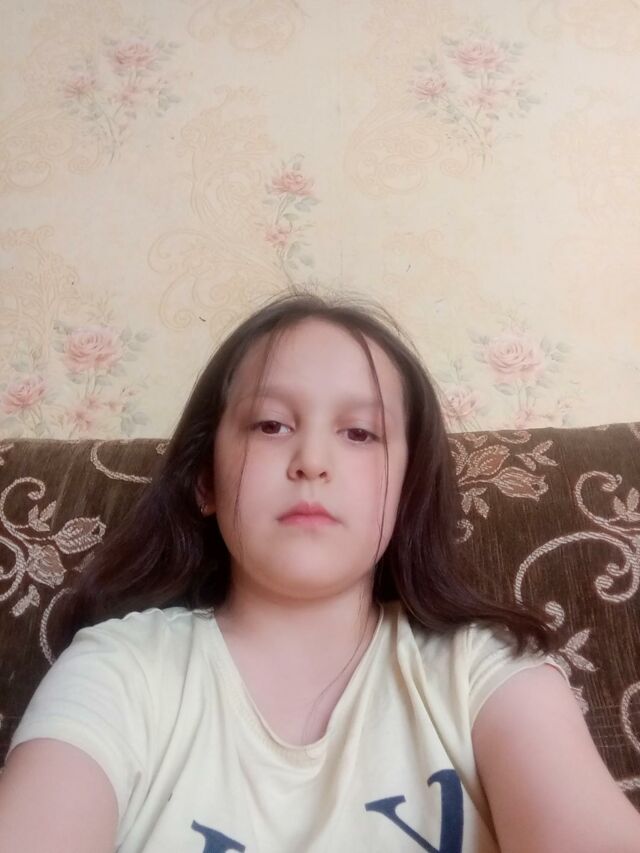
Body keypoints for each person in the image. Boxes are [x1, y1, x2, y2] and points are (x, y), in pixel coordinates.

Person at [1, 288, 639, 853]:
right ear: (205, 480)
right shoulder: (118, 670)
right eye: (271, 425)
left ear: (407, 490)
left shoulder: (485, 670)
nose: (311, 459)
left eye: (360, 433)